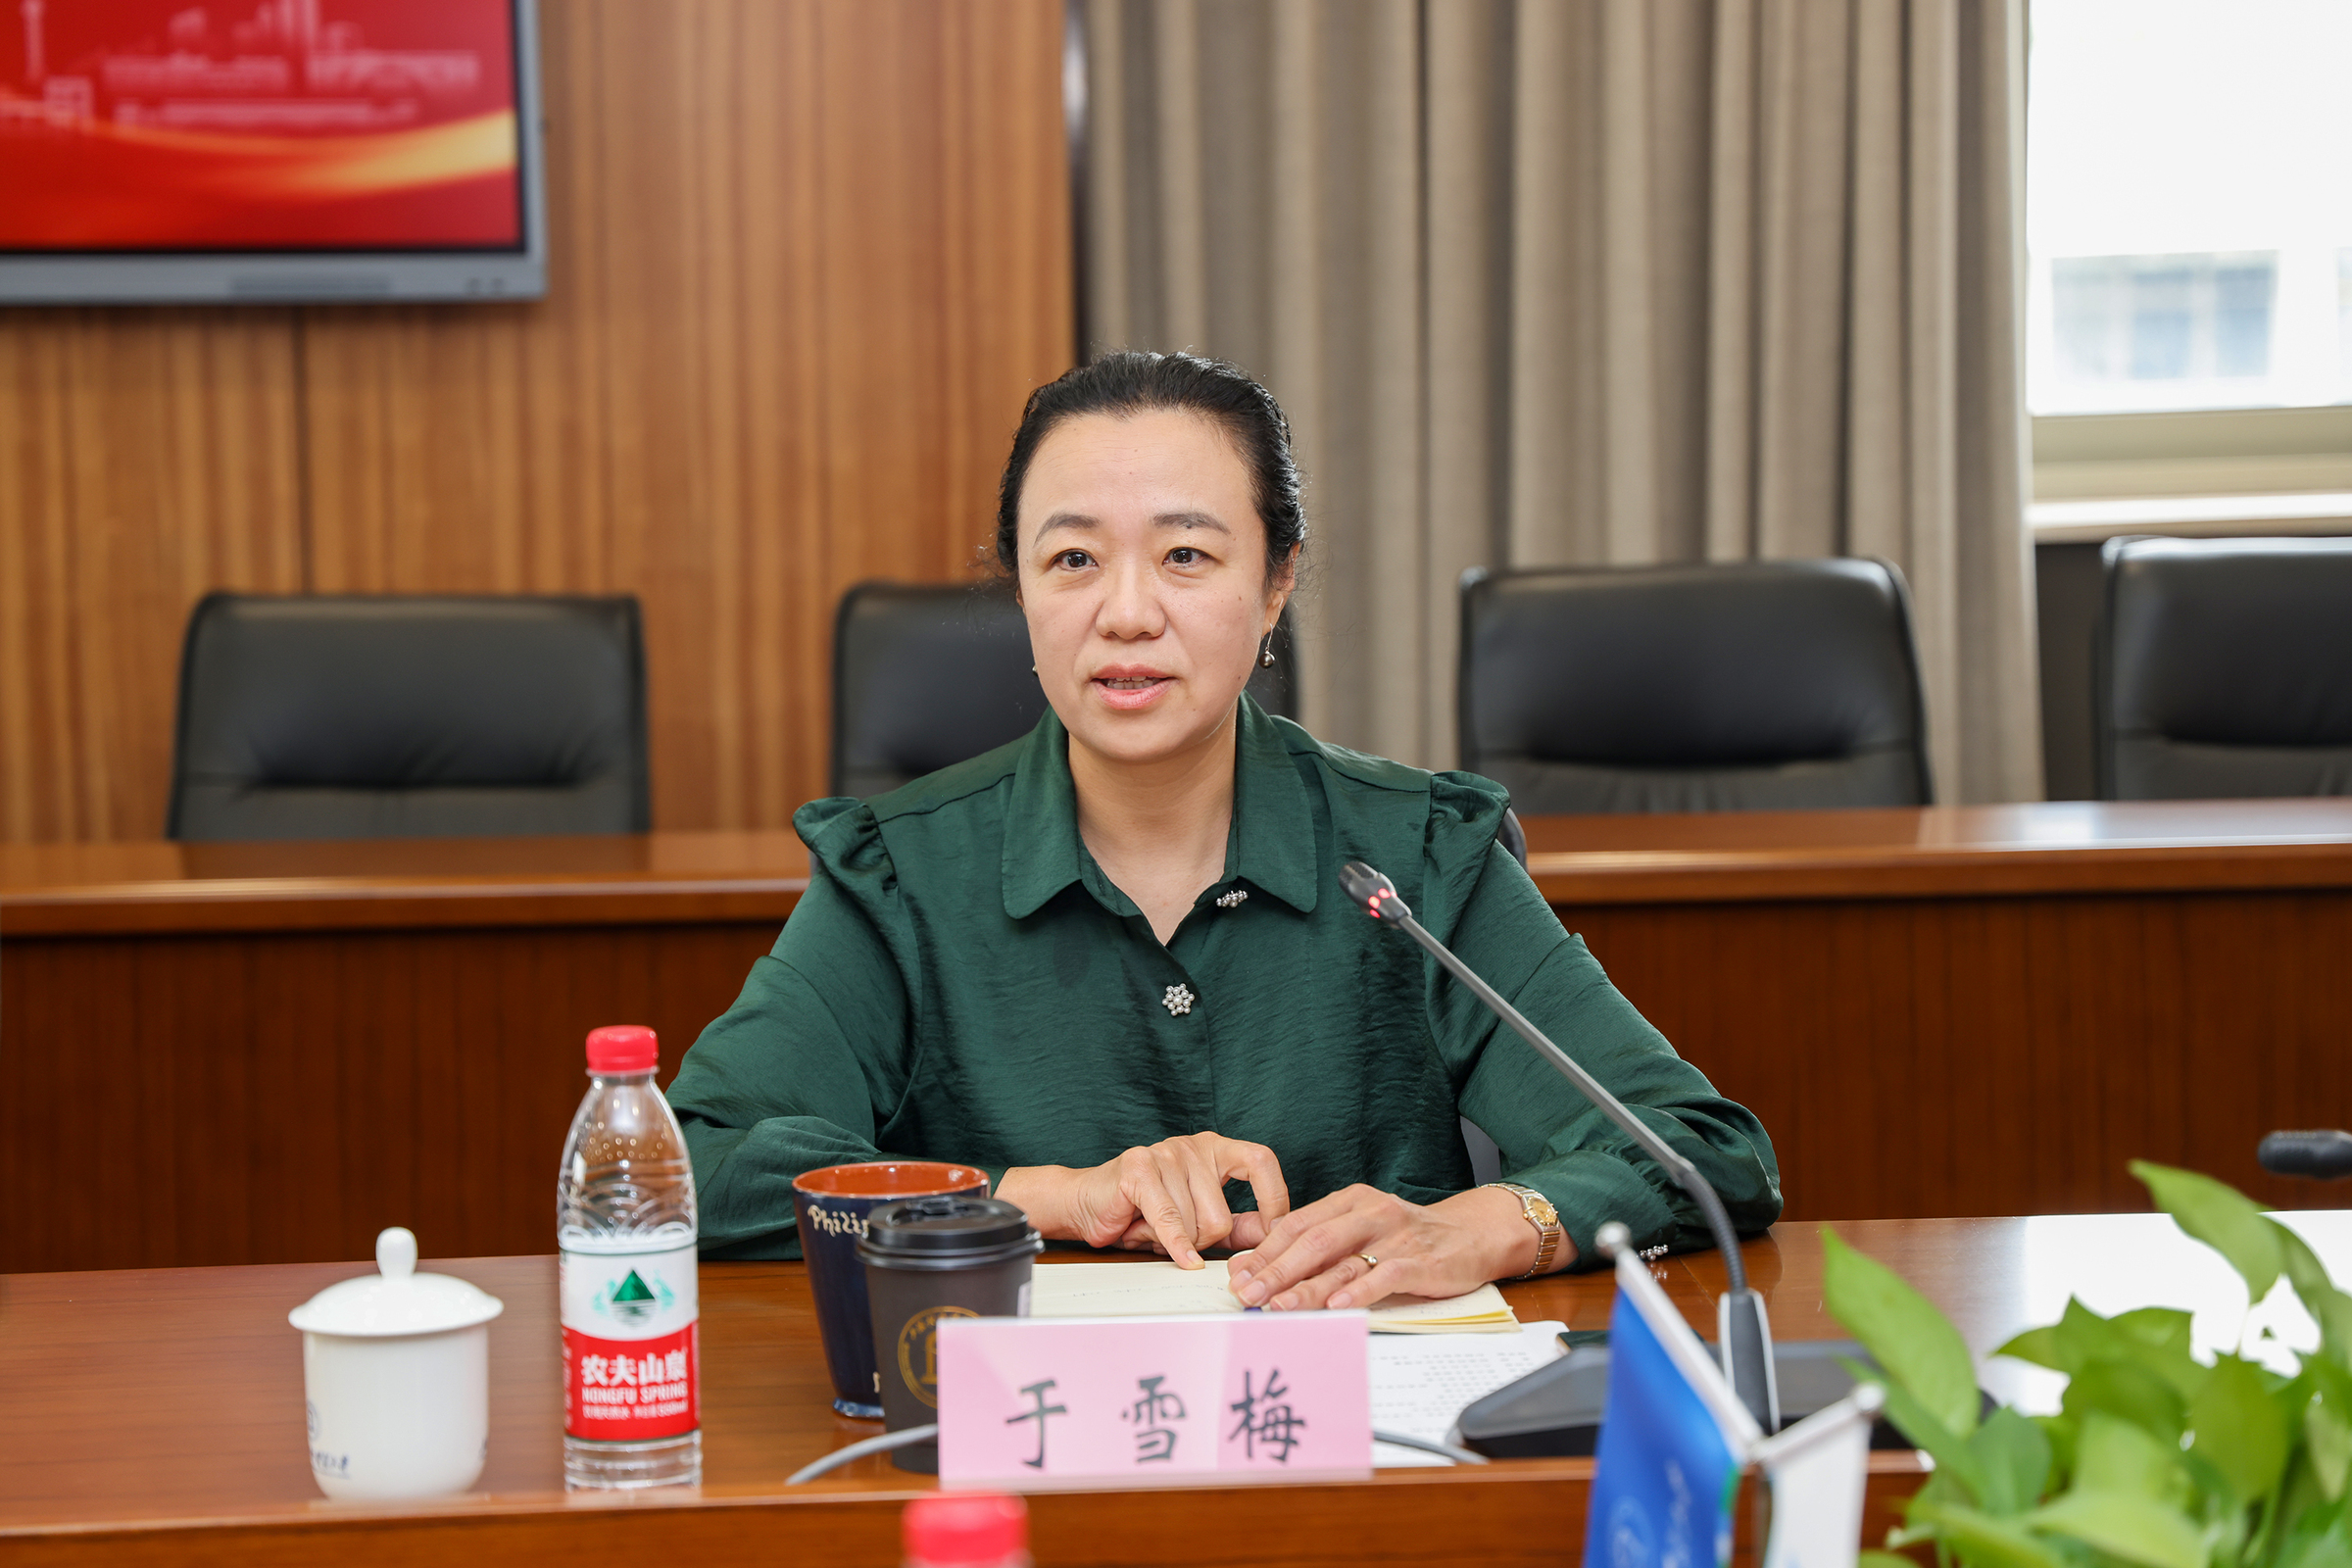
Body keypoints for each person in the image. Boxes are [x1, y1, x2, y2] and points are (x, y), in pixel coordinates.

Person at [666, 352, 1779, 1310]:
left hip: (1366, 1444)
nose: (1127, 613)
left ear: (1276, 581)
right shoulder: (902, 872)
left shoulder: (1418, 854)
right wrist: (1049, 1197)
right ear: (1022, 592)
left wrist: (1488, 1225)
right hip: (1037, 1444)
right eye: (1072, 559)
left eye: (1186, 556)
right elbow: (692, 1167)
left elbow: (1703, 1151)